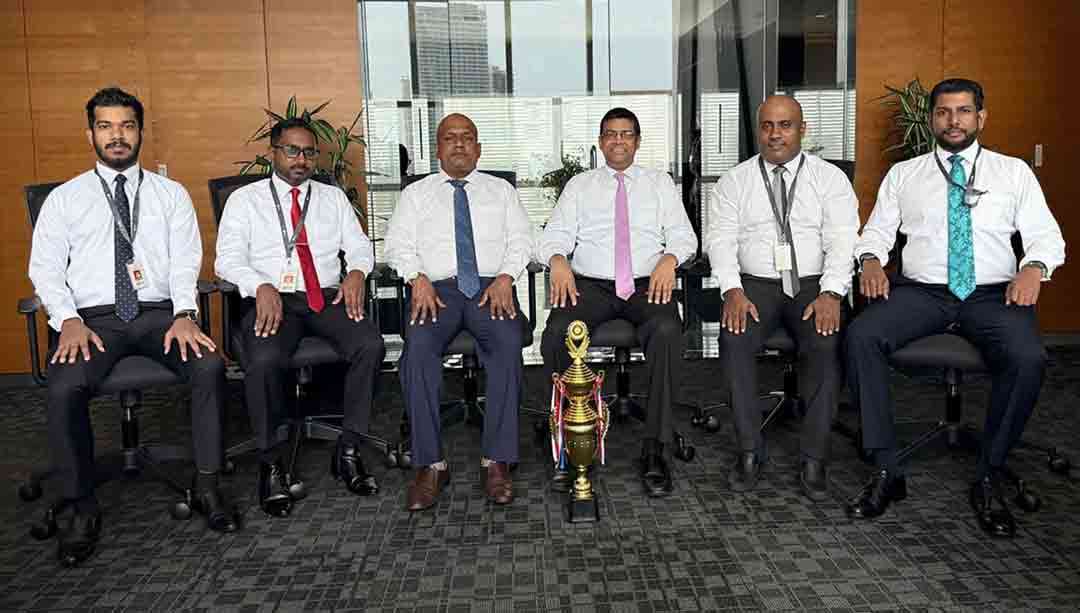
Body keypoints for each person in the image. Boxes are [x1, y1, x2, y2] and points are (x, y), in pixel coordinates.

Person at [845, 78, 1066, 537]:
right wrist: (870, 260)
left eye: (964, 111)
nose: (953, 121)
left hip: (992, 294)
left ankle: (990, 473)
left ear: (981, 117)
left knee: (1028, 357)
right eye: (944, 112)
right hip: (923, 293)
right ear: (931, 118)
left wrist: (1034, 267)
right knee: (861, 335)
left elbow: (1046, 236)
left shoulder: (1012, 173)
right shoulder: (905, 175)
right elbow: (876, 233)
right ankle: (886, 468)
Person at [28, 87, 237, 567]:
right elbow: (46, 270)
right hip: (93, 320)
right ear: (91, 135)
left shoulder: (170, 194)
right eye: (106, 126)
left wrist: (185, 313)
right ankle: (80, 505)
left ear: (140, 132)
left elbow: (185, 262)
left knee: (208, 366)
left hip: (159, 313)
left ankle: (208, 484)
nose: (117, 136)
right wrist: (67, 320)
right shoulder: (65, 199)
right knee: (64, 386)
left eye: (126, 126)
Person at [215, 118, 384, 517]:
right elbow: (227, 260)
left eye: (309, 152)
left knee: (370, 345)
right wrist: (259, 285)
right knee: (263, 359)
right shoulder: (245, 200)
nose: (301, 159)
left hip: (324, 297)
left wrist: (357, 272)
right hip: (272, 299)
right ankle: (271, 462)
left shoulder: (332, 198)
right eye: (292, 150)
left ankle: (348, 449)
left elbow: (360, 247)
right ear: (273, 152)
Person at [704, 95, 859, 500]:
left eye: (785, 125)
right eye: (768, 125)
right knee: (734, 338)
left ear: (802, 129)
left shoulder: (829, 179)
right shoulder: (734, 181)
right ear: (759, 130)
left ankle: (814, 456)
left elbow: (843, 242)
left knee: (824, 342)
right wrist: (731, 290)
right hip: (755, 285)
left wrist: (832, 293)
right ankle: (749, 450)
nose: (775, 134)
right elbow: (720, 240)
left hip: (812, 285)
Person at [538, 107, 698, 498]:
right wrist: (557, 259)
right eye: (611, 134)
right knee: (557, 334)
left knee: (667, 330)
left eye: (626, 134)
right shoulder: (580, 185)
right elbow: (554, 234)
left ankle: (655, 447)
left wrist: (670, 259)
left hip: (646, 283)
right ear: (600, 141)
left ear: (637, 142)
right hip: (591, 285)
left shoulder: (659, 183)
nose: (618, 141)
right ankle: (571, 439)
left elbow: (684, 236)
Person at [384, 113, 533, 511]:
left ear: (478, 148)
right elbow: (397, 245)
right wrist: (415, 277)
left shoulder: (501, 191)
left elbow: (522, 240)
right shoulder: (416, 194)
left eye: (467, 137)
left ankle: (497, 460)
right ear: (438, 149)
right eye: (450, 138)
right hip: (435, 291)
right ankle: (430, 464)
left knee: (507, 345)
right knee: (417, 352)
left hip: (491, 288)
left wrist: (506, 277)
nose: (460, 144)